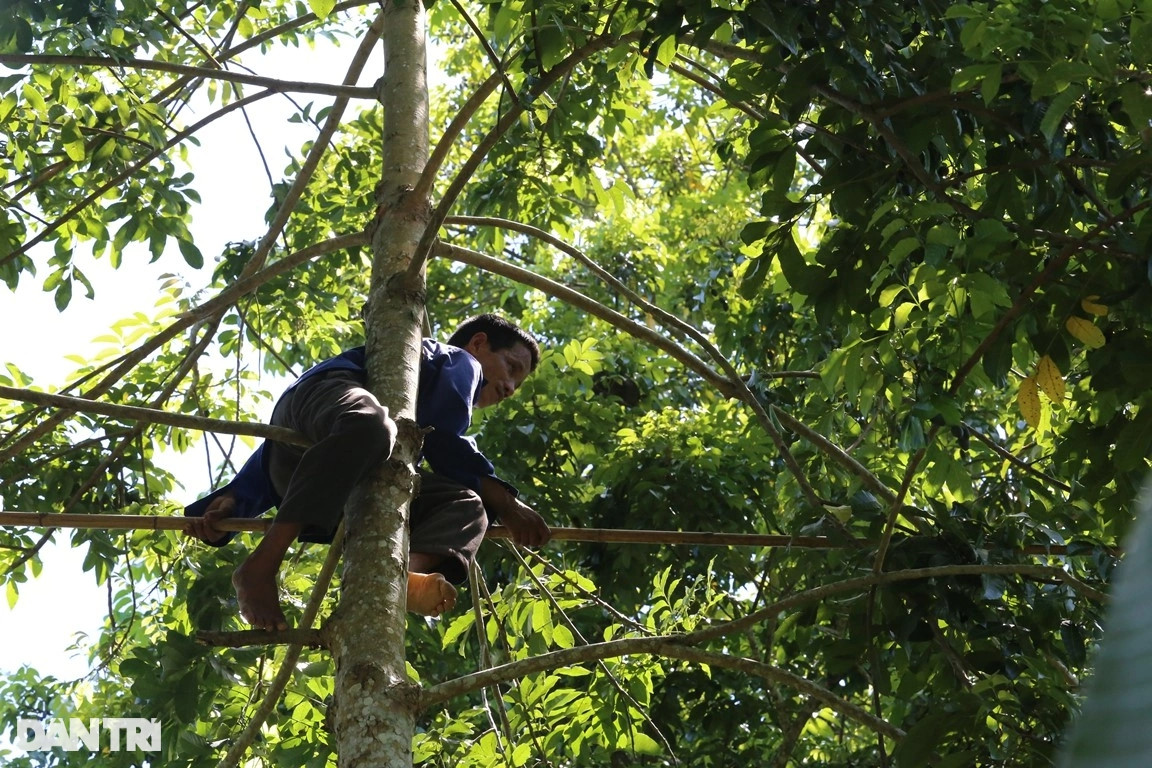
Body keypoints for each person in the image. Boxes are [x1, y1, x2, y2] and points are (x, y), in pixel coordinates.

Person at [183, 313, 551, 630]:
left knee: (467, 503)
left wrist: (234, 500)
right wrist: (507, 503)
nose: (509, 388)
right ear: (478, 343)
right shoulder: (458, 361)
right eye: (511, 369)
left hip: (334, 483)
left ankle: (406, 576)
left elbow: (323, 457)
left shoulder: (396, 424)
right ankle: (261, 565)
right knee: (373, 427)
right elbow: (441, 437)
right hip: (324, 401)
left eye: (517, 385)